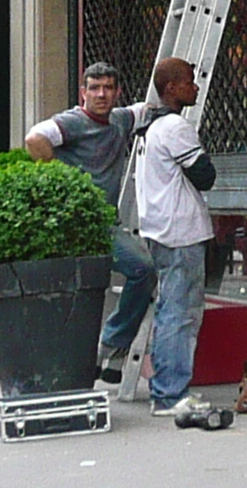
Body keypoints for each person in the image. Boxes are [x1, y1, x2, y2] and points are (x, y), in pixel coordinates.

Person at [26, 60, 166, 391]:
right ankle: (101, 353)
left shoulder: (119, 119)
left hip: (105, 221)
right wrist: (63, 183)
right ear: (83, 92)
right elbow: (34, 139)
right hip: (79, 223)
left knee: (138, 273)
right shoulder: (72, 122)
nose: (100, 94)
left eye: (107, 88)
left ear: (117, 92)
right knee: (137, 271)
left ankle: (108, 353)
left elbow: (145, 109)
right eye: (94, 88)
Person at [124, 56, 218, 417]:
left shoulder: (149, 129)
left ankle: (165, 389)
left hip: (158, 229)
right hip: (180, 231)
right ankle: (170, 394)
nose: (195, 87)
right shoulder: (175, 127)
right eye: (189, 81)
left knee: (169, 311)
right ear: (172, 88)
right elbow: (204, 175)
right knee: (180, 314)